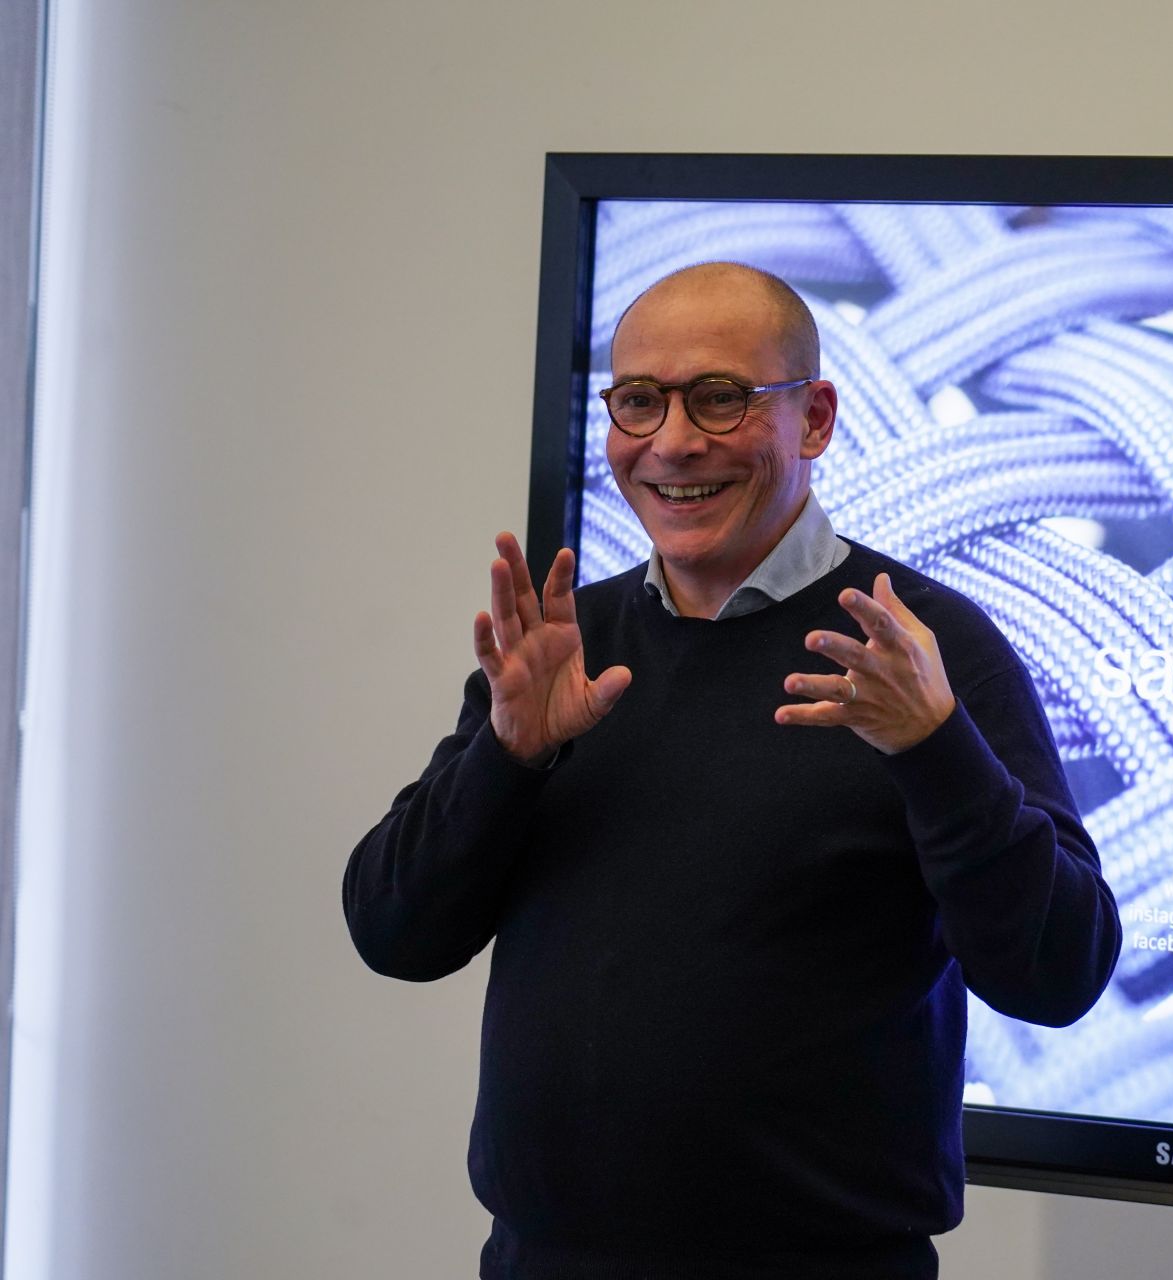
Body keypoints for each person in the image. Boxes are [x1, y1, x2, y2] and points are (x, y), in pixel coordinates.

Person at [343, 262, 1120, 1280]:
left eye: (719, 398)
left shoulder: (917, 648)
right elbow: (394, 930)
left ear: (815, 418)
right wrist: (508, 755)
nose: (671, 442)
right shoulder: (568, 645)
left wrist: (934, 746)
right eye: (638, 400)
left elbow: (1060, 970)